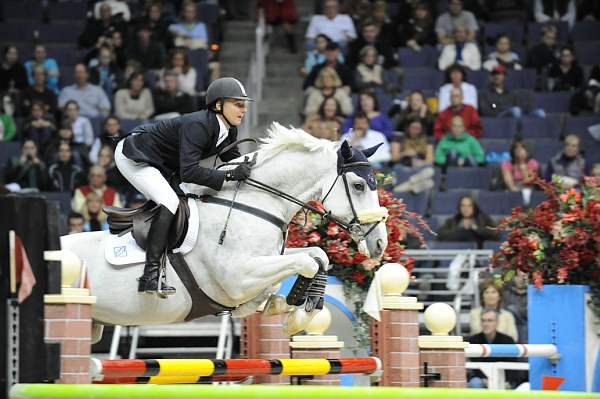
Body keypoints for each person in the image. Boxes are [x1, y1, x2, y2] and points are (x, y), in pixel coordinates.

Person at [114, 77, 254, 295]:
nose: (243, 109)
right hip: (136, 156)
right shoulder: (198, 125)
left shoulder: (229, 130)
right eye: (237, 103)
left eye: (244, 104)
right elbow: (189, 172)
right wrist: (227, 177)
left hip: (163, 165)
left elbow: (234, 163)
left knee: (189, 203)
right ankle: (149, 276)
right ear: (218, 105)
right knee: (169, 202)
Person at [467, 308, 520, 388]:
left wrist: (505, 381)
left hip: (504, 380)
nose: (486, 324)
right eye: (483, 320)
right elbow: (475, 367)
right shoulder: (473, 340)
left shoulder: (508, 340)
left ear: (497, 323)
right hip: (482, 379)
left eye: (490, 320)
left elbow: (512, 366)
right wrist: (486, 380)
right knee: (475, 383)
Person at [479, 65, 546, 118]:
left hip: (514, 114)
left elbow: (518, 107)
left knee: (540, 113)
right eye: (494, 74)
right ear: (490, 77)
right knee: (515, 110)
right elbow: (488, 109)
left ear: (504, 76)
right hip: (499, 117)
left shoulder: (511, 93)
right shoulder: (485, 93)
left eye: (499, 74)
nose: (496, 76)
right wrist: (496, 107)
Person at [502, 270, 528, 343]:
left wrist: (515, 310)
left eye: (524, 277)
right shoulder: (506, 293)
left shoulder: (533, 294)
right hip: (510, 326)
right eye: (518, 276)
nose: (521, 279)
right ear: (513, 278)